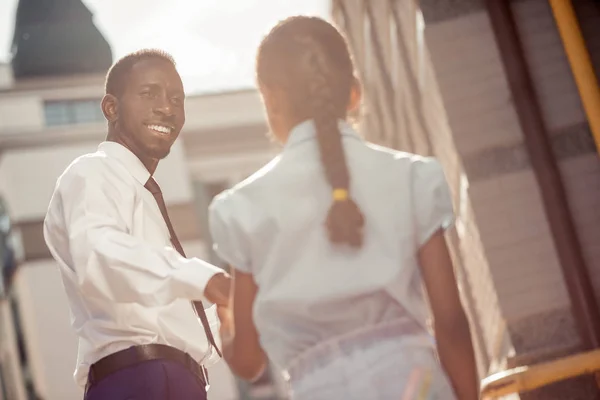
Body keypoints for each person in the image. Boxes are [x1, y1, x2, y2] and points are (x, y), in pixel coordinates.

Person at [208, 16, 480, 400]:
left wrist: (228, 331)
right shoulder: (413, 176)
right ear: (354, 93)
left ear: (270, 98)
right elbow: (451, 323)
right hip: (415, 383)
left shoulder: (241, 208)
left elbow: (249, 362)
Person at [43, 49, 230, 400]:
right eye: (149, 94)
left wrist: (230, 312)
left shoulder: (143, 195)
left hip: (181, 379)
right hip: (138, 380)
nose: (167, 108)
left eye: (177, 99)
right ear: (111, 108)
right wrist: (204, 279)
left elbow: (170, 327)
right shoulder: (92, 172)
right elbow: (101, 257)